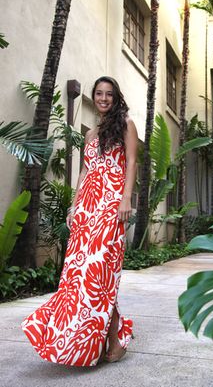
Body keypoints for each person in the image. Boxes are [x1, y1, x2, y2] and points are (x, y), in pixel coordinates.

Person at [22, 76, 138, 366]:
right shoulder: (90, 134)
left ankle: (113, 338)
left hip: (111, 206)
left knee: (100, 272)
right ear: (94, 97)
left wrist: (126, 199)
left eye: (108, 94)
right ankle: (96, 338)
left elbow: (132, 163)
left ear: (116, 97)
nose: (103, 98)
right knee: (81, 276)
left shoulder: (126, 124)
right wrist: (75, 206)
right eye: (98, 93)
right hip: (87, 208)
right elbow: (85, 173)